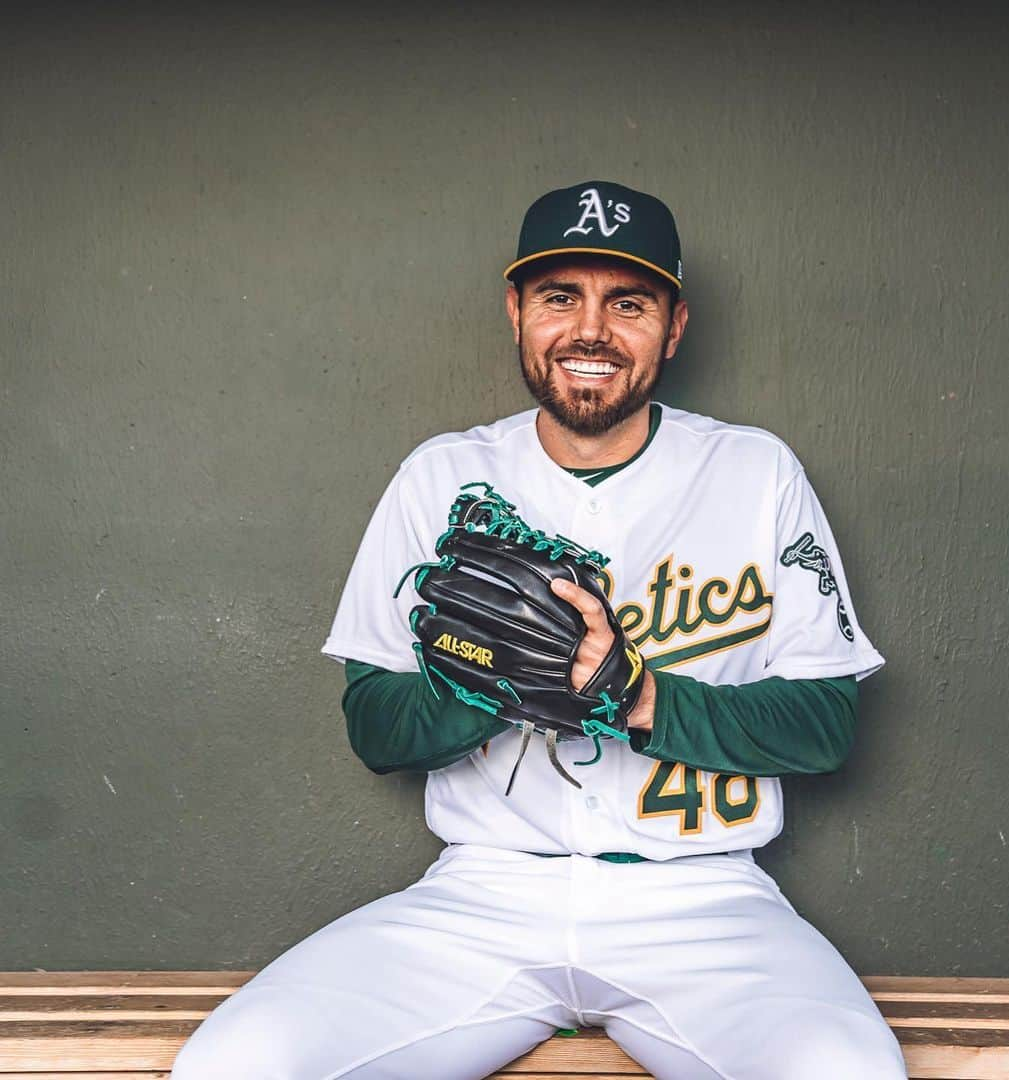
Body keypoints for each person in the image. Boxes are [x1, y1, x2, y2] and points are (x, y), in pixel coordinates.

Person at [172, 181, 907, 1078]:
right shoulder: (443, 475)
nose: (591, 330)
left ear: (673, 327)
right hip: (487, 893)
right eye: (561, 296)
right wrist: (497, 684)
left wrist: (637, 695)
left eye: (627, 302)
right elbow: (373, 725)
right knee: (238, 1064)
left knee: (844, 1071)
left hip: (701, 901)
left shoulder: (755, 472)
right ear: (517, 311)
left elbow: (826, 727)